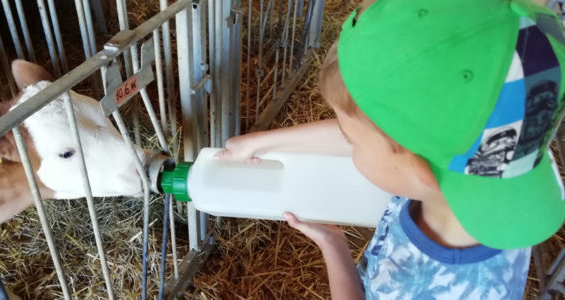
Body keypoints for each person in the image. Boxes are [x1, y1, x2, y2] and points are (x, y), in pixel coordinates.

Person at [215, 0, 565, 298]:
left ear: (419, 169)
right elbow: (382, 137)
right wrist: (261, 142)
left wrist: (333, 247)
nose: (349, 144)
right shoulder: (509, 154)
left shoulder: (422, 288)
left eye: (354, 143)